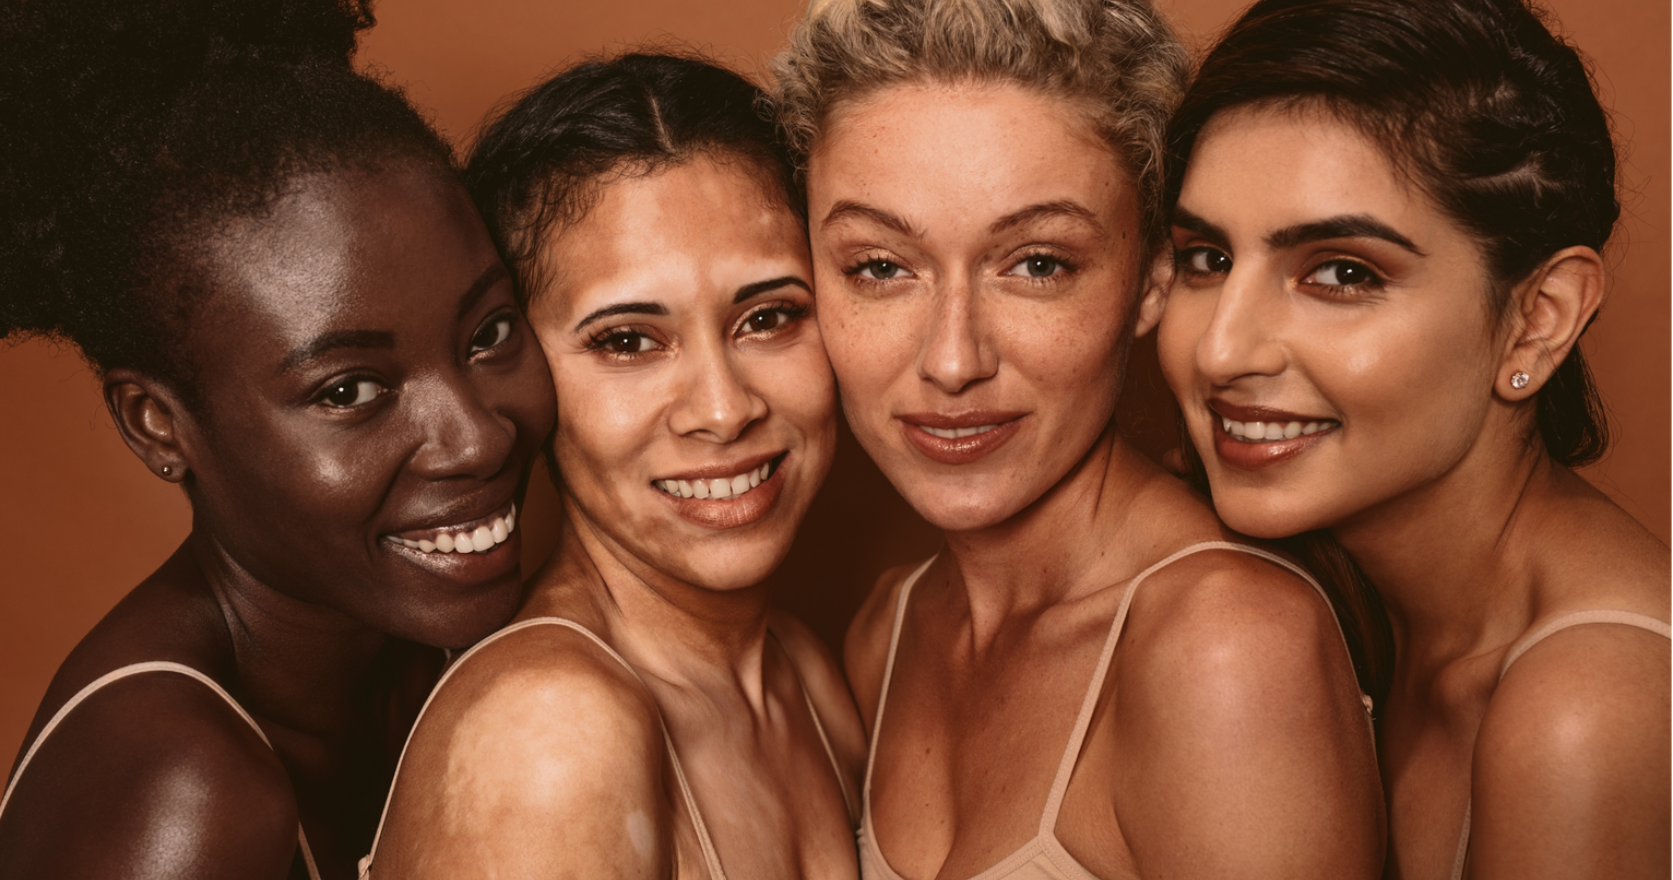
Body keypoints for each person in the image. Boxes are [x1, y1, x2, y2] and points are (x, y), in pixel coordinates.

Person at [771, 0, 1385, 877]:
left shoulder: (1227, 648)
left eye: (1036, 264)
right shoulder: (888, 630)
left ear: (1149, 282)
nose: (952, 360)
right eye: (879, 267)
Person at [0, 0, 556, 876]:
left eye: (486, 335)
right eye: (350, 390)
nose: (477, 439)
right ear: (158, 426)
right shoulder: (183, 804)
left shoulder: (425, 639)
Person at [1154, 0, 1672, 876]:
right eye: (1206, 258)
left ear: (1535, 322)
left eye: (1342, 273)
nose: (1219, 350)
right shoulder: (1313, 584)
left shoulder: (1584, 713)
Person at [359, 53, 865, 879]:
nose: (723, 408)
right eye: (627, 340)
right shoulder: (547, 735)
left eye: (768, 316)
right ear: (515, 366)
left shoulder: (801, 672)